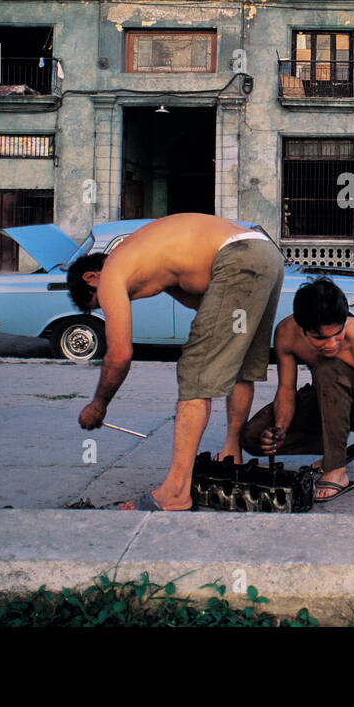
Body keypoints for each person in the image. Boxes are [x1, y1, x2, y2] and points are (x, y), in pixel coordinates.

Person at [68, 213, 285, 511]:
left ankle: (175, 490)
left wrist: (98, 405)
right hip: (265, 254)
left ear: (91, 278)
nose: (113, 305)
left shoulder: (111, 272)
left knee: (194, 371)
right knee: (240, 361)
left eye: (99, 305)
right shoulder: (153, 260)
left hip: (238, 258)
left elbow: (119, 356)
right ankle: (231, 452)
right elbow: (211, 307)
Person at [241, 277, 354, 502]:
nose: (332, 344)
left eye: (337, 333)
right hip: (324, 397)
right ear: (303, 329)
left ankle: (336, 470)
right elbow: (286, 391)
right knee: (252, 437)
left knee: (328, 367)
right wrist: (280, 429)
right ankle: (335, 446)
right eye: (321, 338)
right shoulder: (286, 333)